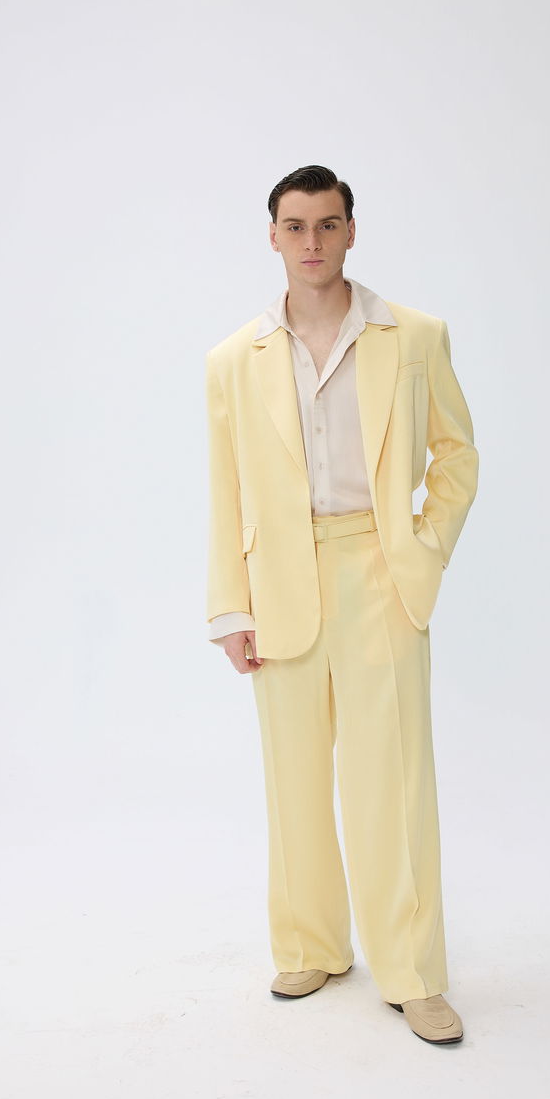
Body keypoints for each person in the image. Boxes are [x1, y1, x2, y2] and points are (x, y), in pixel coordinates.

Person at [204, 164, 479, 1045]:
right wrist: (231, 608)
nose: (312, 242)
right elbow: (225, 490)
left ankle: (413, 972)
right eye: (296, 226)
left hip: (378, 570)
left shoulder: (415, 336)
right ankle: (311, 945)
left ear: (352, 231)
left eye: (328, 224)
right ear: (273, 237)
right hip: (279, 583)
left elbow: (457, 454)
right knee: (292, 780)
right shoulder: (233, 361)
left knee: (390, 781)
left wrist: (422, 550)